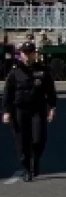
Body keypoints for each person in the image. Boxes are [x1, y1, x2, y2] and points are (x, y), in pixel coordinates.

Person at [3, 42, 58, 181]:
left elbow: (50, 91)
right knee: (21, 141)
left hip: (37, 109)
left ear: (35, 54)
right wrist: (6, 112)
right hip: (19, 110)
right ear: (21, 54)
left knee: (38, 139)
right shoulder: (14, 71)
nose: (27, 56)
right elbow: (8, 93)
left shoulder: (42, 71)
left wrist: (52, 108)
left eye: (30, 53)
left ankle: (35, 160)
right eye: (24, 53)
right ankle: (27, 169)